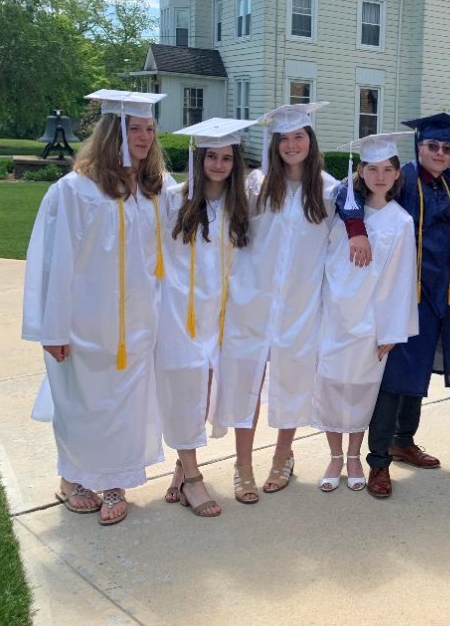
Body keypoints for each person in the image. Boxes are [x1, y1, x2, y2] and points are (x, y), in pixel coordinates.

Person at [23, 89, 168, 526]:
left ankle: (115, 482)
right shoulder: (74, 190)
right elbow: (52, 262)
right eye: (134, 128)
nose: (143, 137)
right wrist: (53, 328)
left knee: (124, 406)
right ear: (112, 133)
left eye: (149, 129)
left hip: (138, 326)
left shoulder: (152, 190)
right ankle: (76, 479)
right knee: (80, 403)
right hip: (84, 322)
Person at [339, 113, 450, 499]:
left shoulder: (448, 180)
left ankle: (403, 442)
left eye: (448, 147)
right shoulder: (402, 176)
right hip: (401, 295)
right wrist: (356, 229)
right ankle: (378, 462)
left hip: (435, 296)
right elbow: (346, 193)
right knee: (393, 382)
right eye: (433, 145)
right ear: (418, 147)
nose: (441, 152)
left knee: (416, 379)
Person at [213, 102, 338, 504]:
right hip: (251, 299)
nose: (291, 144)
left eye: (298, 136)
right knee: (244, 381)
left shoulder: (330, 189)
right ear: (274, 145)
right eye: (283, 138)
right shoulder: (255, 185)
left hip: (300, 304)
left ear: (310, 140)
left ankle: (283, 456)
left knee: (293, 380)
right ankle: (243, 465)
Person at [157, 118, 255, 517]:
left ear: (235, 163)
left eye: (226, 157)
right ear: (198, 159)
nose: (218, 164)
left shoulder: (241, 206)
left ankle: (182, 469)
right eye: (211, 156)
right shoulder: (172, 199)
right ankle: (195, 481)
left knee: (205, 393)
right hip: (179, 314)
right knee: (186, 389)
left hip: (221, 317)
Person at [314, 132, 418, 493]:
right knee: (330, 385)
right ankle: (333, 455)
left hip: (370, 322)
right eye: (372, 168)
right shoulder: (339, 210)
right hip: (333, 314)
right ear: (360, 171)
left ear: (396, 175)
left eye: (387, 169)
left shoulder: (401, 221)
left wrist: (391, 331)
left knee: (360, 390)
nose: (379, 176)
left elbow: (401, 281)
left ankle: (355, 455)